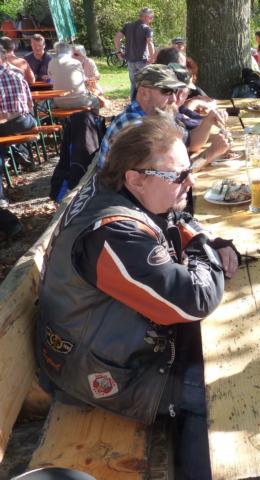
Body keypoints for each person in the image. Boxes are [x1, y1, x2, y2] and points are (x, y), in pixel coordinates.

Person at [36, 116, 239, 480]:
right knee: (217, 394)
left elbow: (177, 218)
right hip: (98, 375)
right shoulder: (113, 234)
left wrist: (205, 240)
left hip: (109, 347)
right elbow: (195, 299)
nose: (190, 181)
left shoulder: (120, 193)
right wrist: (205, 247)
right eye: (179, 175)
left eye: (189, 170)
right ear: (136, 178)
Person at [96, 64, 228, 168]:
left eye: (175, 91)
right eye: (167, 91)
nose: (174, 98)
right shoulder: (137, 127)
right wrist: (211, 153)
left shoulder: (157, 115)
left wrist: (208, 121)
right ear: (144, 93)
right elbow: (176, 176)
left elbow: (191, 142)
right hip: (126, 194)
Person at [0, 45, 37, 181]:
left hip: (2, 125)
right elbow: (30, 104)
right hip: (22, 122)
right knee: (34, 120)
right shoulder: (18, 74)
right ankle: (18, 151)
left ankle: (12, 153)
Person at [115, 7, 156, 101]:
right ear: (145, 17)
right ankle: (145, 103)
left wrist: (118, 52)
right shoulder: (146, 29)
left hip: (130, 61)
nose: (151, 20)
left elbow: (117, 38)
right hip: (143, 61)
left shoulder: (128, 26)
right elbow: (150, 43)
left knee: (133, 84)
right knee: (146, 84)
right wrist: (152, 57)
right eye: (151, 17)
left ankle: (133, 103)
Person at [48, 42, 99, 110]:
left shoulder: (51, 62)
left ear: (56, 52)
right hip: (80, 101)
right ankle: (94, 116)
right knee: (96, 101)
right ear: (69, 52)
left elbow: (51, 80)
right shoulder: (76, 62)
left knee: (46, 103)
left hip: (60, 102)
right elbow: (83, 79)